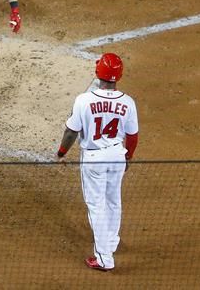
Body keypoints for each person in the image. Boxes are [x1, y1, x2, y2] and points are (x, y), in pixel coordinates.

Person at [56, 53, 139, 271]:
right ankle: (111, 242)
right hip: (117, 156)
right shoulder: (128, 102)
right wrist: (127, 157)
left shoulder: (84, 100)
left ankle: (104, 258)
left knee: (96, 205)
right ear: (118, 75)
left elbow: (71, 131)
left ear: (98, 73)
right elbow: (132, 137)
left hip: (94, 159)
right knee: (113, 200)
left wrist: (62, 151)